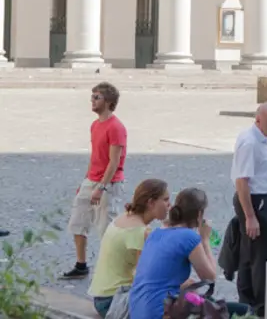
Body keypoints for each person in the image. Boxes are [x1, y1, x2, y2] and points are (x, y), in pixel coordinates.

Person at [129, 187, 247, 319]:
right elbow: (210, 277)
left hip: (138, 310)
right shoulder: (189, 237)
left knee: (200, 297)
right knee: (242, 310)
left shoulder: (155, 234)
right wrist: (205, 240)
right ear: (199, 214)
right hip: (160, 313)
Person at [62, 82, 127, 279]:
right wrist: (85, 181)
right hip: (91, 181)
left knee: (106, 229)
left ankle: (114, 270)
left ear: (108, 101)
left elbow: (114, 162)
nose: (92, 100)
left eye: (96, 97)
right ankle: (81, 265)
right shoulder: (95, 125)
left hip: (109, 184)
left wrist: (101, 187)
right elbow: (95, 157)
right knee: (78, 223)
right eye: (92, 97)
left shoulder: (116, 127)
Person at [89, 179, 170, 318]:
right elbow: (147, 277)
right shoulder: (141, 231)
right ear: (151, 203)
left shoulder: (122, 218)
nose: (169, 205)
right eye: (166, 200)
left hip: (102, 297)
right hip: (115, 301)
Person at [231, 102, 267, 317]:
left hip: (260, 200)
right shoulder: (250, 143)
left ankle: (249, 305)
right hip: (256, 201)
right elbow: (242, 181)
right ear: (259, 120)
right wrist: (250, 216)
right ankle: (260, 307)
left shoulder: (261, 138)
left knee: (251, 254)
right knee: (262, 257)